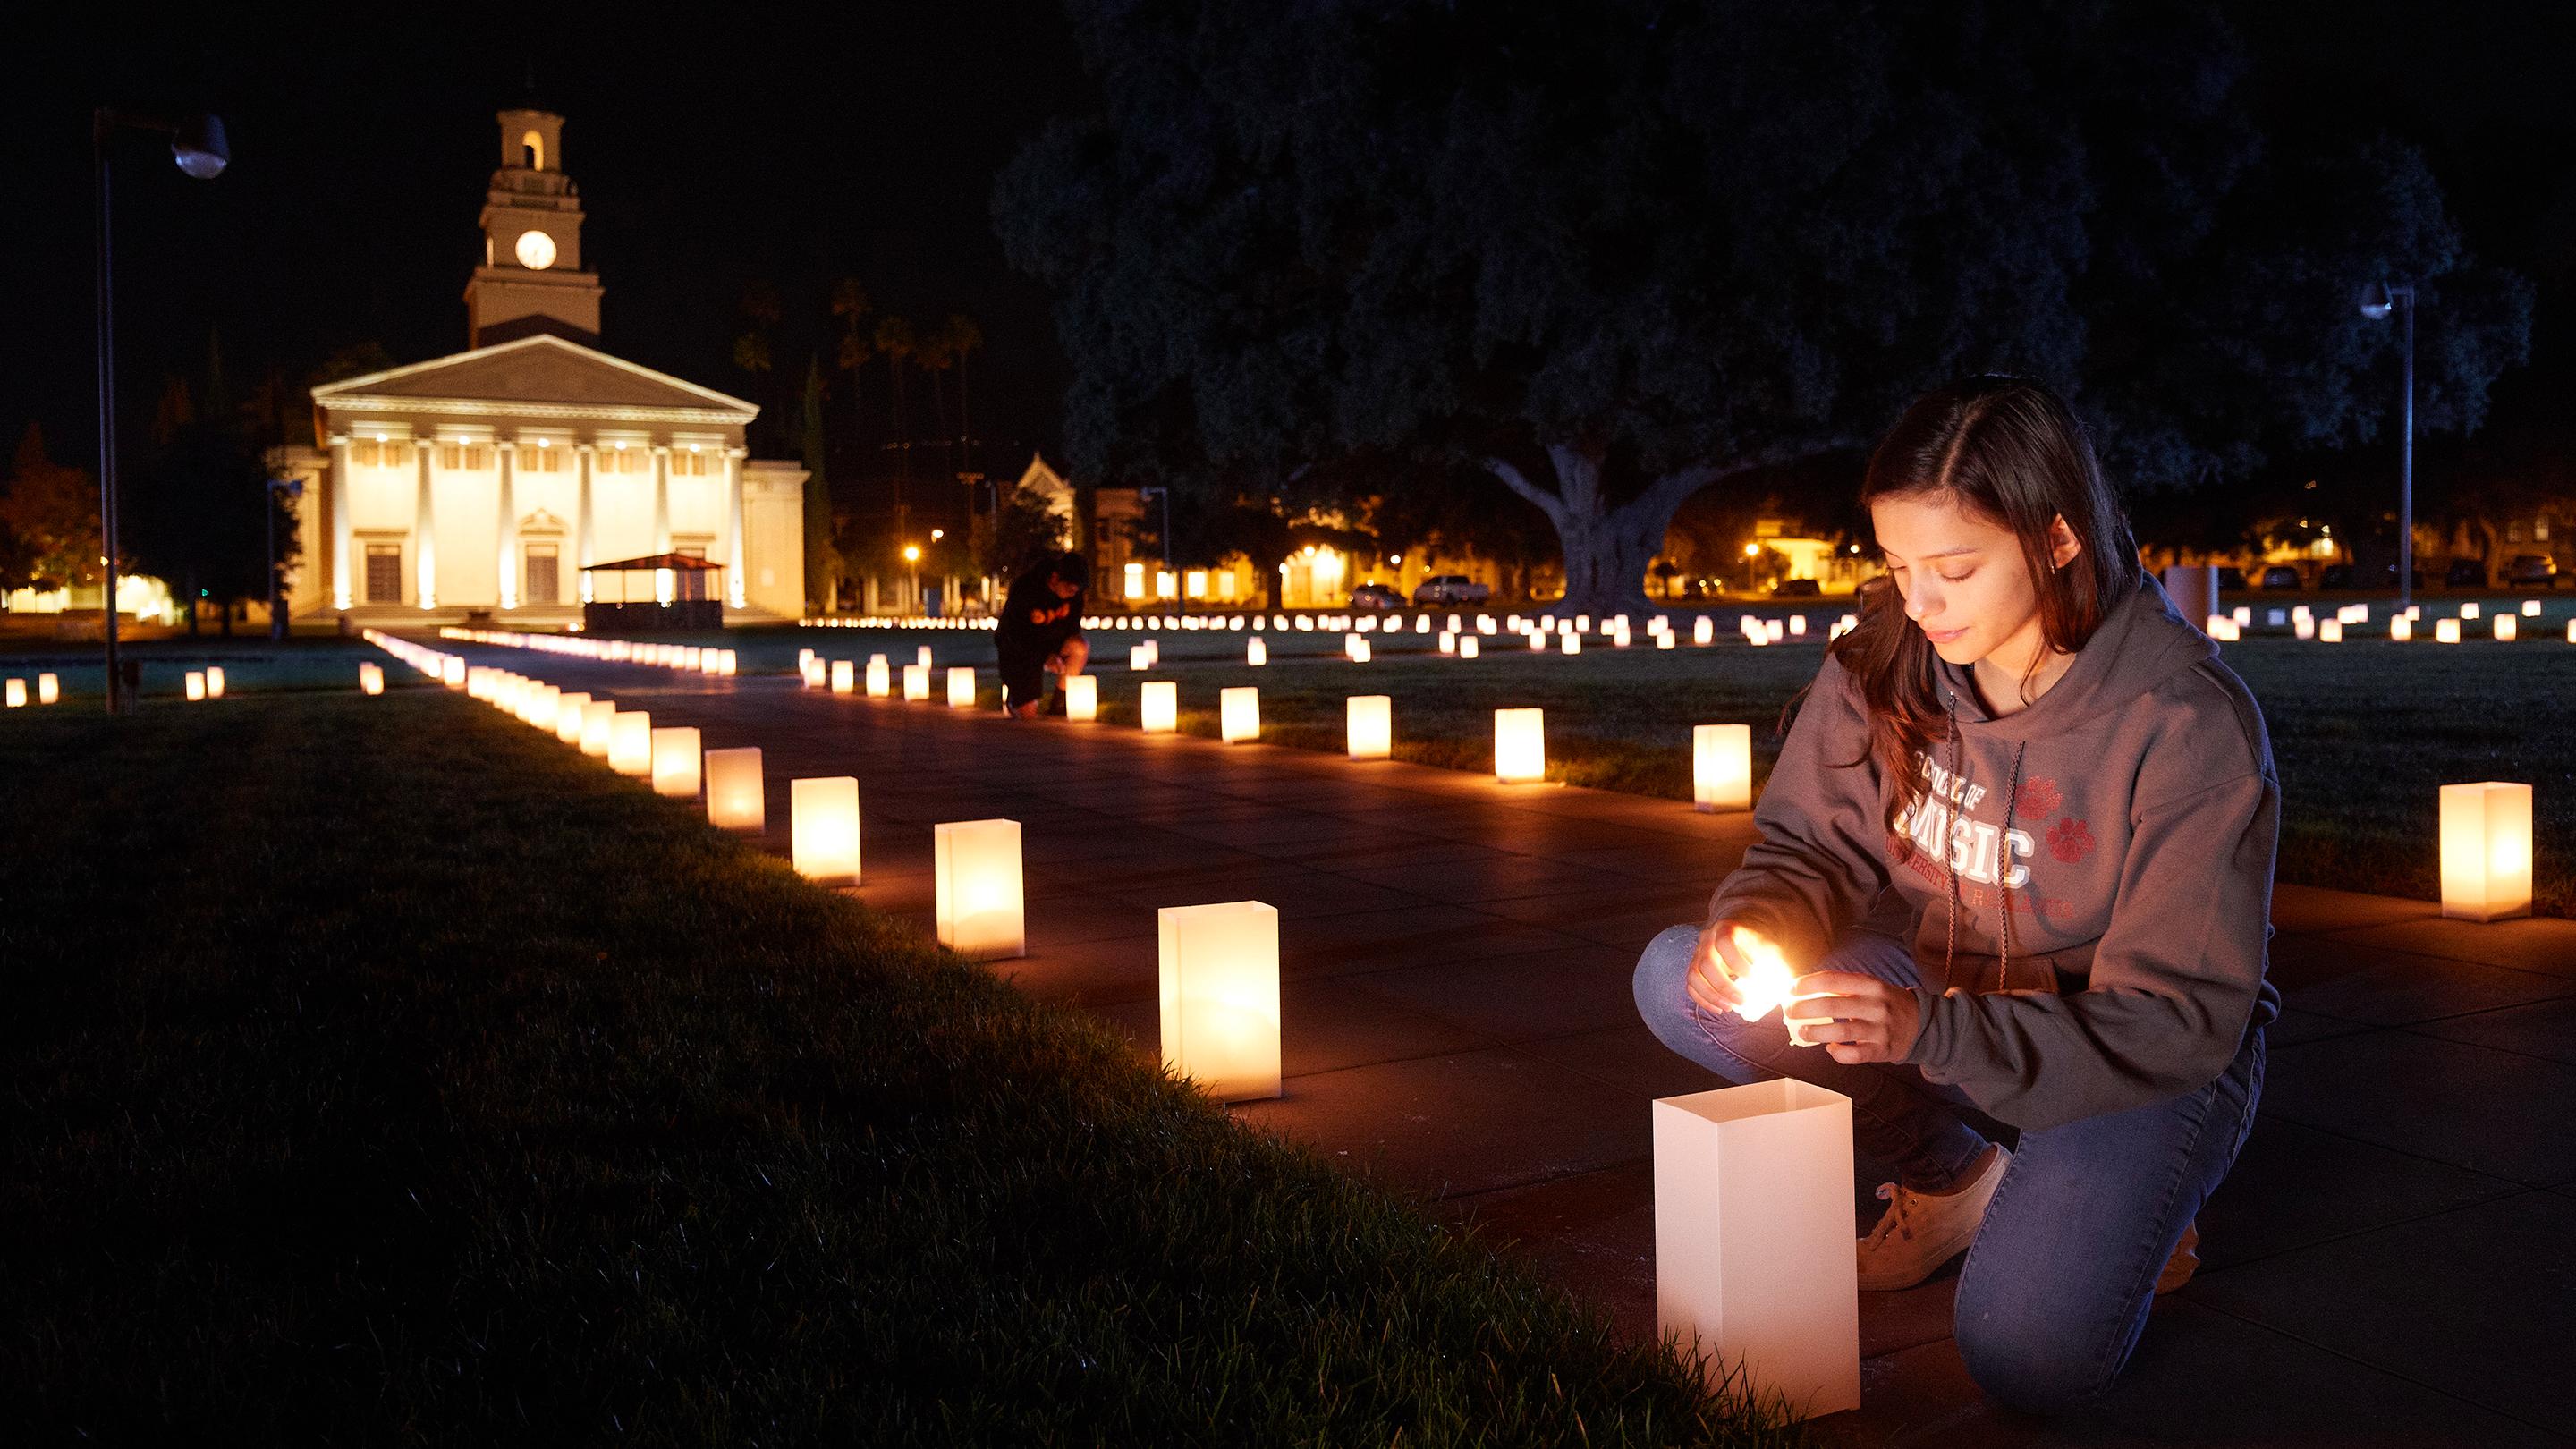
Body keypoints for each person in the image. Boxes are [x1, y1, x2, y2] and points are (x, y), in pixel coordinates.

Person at [1632, 375, 2277, 1415]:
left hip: (2137, 1060)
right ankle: (1955, 1177)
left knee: (2026, 1358)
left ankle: (2134, 1197)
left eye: (1955, 569)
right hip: (1951, 1005)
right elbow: (1806, 846)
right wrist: (1757, 925)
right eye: (1896, 566)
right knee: (1680, 980)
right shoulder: (1890, 664)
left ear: (2058, 539)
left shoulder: (2183, 720)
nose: (1918, 602)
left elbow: (2173, 1019)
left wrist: (1930, 1032)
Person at [995, 551, 1091, 718]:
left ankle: (1059, 703)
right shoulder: (1026, 589)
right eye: (1069, 589)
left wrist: (1056, 654)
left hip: (1051, 645)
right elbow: (1015, 636)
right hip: (1020, 651)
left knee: (1079, 646)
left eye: (1076, 591)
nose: (1072, 594)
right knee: (1028, 715)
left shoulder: (1074, 596)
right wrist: (1045, 656)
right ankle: (1016, 699)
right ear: (1055, 578)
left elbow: (1072, 630)